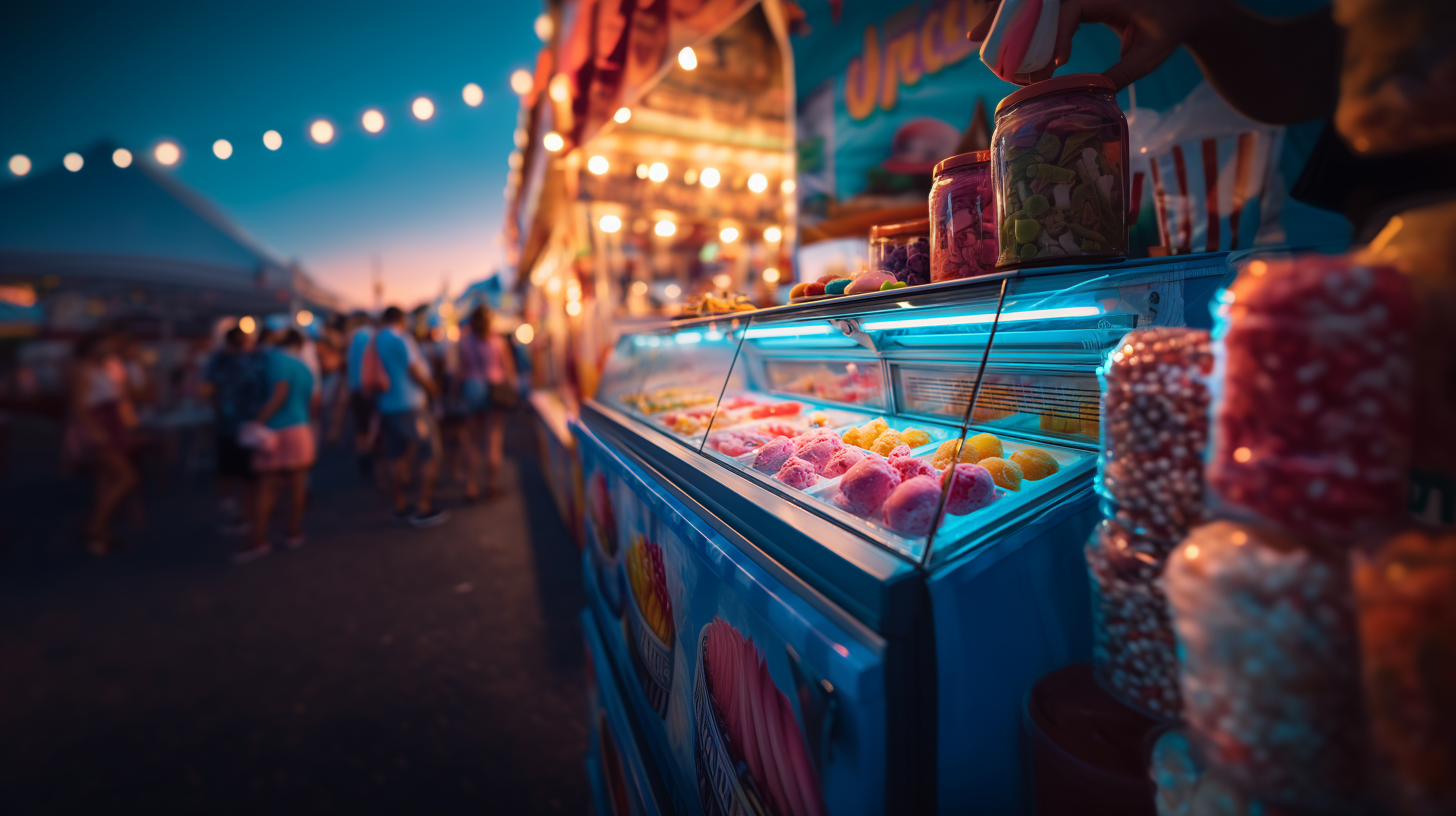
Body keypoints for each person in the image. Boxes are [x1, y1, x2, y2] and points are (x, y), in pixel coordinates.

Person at [237, 328, 318, 563]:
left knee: (267, 485)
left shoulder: (274, 361)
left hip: (276, 430)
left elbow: (279, 393)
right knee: (297, 484)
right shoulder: (303, 367)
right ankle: (294, 532)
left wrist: (256, 423)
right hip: (300, 428)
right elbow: (311, 400)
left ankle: (258, 539)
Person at [372, 306, 449, 528]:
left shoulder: (374, 340)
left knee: (393, 456)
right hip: (411, 405)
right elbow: (414, 370)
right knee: (430, 451)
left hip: (386, 405)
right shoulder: (401, 339)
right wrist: (433, 388)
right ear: (401, 319)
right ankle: (422, 506)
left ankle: (400, 505)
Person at [65, 333, 138, 555]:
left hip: (111, 421)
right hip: (99, 425)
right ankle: (94, 526)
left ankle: (100, 534)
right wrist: (94, 430)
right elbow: (79, 406)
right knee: (127, 477)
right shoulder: (83, 370)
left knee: (104, 480)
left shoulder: (105, 367)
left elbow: (122, 394)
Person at [202, 326, 268, 534]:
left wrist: (216, 407)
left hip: (227, 423)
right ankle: (245, 514)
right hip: (248, 423)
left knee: (227, 470)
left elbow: (208, 389)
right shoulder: (254, 361)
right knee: (248, 472)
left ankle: (231, 511)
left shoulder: (218, 360)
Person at [456, 305, 519, 499]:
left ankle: (470, 486)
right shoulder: (499, 342)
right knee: (493, 439)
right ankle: (491, 484)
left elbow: (461, 371)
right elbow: (509, 370)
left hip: (472, 389)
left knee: (472, 440)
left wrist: (453, 393)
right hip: (496, 389)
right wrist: (513, 391)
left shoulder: (465, 343)